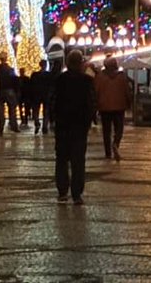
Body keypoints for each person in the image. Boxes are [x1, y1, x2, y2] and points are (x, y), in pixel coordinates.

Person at [52, 48, 96, 205]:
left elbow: (54, 102)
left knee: (62, 159)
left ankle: (62, 191)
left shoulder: (60, 80)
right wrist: (89, 121)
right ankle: (77, 193)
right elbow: (91, 103)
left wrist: (54, 120)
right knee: (78, 161)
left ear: (68, 63)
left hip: (63, 125)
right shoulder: (87, 81)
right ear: (80, 63)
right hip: (79, 126)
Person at [95, 55, 133, 160]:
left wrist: (96, 105)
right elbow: (127, 91)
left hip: (104, 108)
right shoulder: (122, 77)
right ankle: (116, 143)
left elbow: (96, 91)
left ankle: (108, 153)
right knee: (119, 129)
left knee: (106, 131)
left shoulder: (100, 77)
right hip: (119, 107)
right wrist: (129, 102)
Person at [0, 52, 20, 133]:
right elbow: (15, 80)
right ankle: (13, 125)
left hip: (0, 91)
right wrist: (16, 91)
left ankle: (1, 127)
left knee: (0, 111)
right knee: (12, 109)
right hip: (9, 91)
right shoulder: (10, 70)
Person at [29, 58, 49, 132]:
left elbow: (31, 85)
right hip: (45, 95)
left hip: (37, 95)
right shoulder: (48, 75)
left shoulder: (35, 75)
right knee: (46, 112)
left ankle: (37, 123)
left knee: (36, 111)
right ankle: (45, 126)